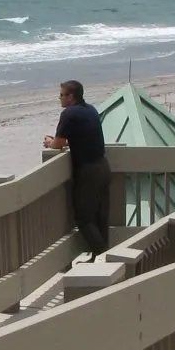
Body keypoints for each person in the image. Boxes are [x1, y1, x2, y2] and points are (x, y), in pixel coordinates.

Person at [43, 79, 110, 255]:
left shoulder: (69, 114)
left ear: (70, 96)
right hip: (102, 166)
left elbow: (58, 144)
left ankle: (102, 255)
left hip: (88, 171)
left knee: (84, 218)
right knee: (100, 215)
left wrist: (50, 142)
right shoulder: (91, 110)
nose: (60, 98)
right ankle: (101, 255)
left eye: (61, 95)